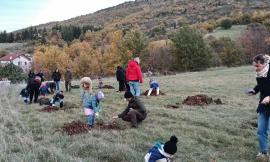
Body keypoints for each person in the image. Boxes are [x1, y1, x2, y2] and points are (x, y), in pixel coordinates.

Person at [248, 54, 270, 158]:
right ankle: (263, 152)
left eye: (257, 66)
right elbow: (260, 85)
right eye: (254, 66)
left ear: (265, 64)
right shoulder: (260, 74)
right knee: (261, 130)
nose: (255, 68)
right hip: (263, 105)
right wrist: (254, 90)